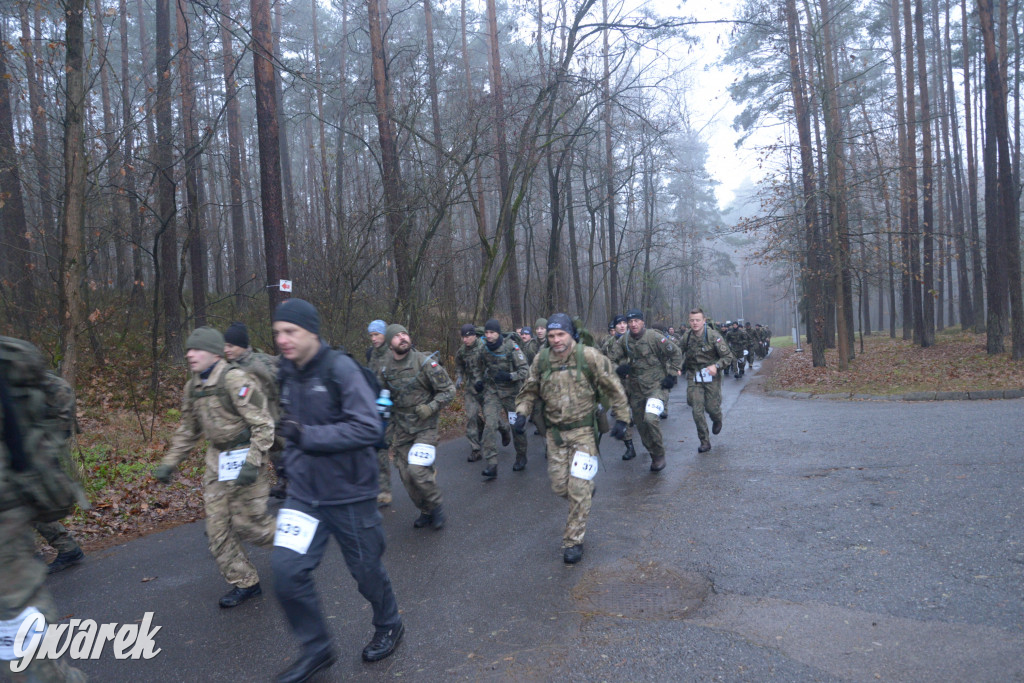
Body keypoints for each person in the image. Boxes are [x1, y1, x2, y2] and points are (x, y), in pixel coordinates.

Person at [271, 298, 403, 681]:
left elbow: (368, 428)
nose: (282, 339)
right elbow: (291, 427)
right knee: (285, 570)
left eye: (290, 331)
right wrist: (288, 464)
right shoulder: (287, 371)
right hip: (304, 496)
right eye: (278, 332)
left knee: (365, 571)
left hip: (349, 493)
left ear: (311, 331)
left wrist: (308, 437)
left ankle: (389, 622)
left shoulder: (340, 368)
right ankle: (316, 649)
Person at [153, 326, 276, 608]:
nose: (190, 355)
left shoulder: (236, 380)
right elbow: (188, 429)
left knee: (250, 526)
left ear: (213, 353)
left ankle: (297, 546)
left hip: (246, 459)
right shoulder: (193, 386)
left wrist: (252, 461)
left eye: (196, 349)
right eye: (188, 349)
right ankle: (245, 581)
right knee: (217, 528)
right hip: (218, 463)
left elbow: (263, 424)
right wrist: (170, 462)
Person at [1, 338, 87, 681]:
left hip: (9, 520)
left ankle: (67, 547)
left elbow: (60, 413)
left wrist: (51, 442)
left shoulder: (51, 385)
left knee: (35, 669)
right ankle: (66, 546)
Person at [513, 314, 630, 564]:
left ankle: (573, 541)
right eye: (552, 335)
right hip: (554, 433)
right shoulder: (541, 360)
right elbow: (529, 390)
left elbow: (614, 387)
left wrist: (622, 418)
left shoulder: (588, 356)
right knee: (559, 486)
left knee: (577, 489)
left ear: (570, 334)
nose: (556, 340)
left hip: (584, 432)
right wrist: (521, 413)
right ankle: (585, 492)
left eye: (560, 334)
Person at [377, 324, 455, 530]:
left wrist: (430, 408)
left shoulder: (424, 363)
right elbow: (384, 399)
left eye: (405, 334)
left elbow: (448, 390)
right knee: (405, 475)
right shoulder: (385, 367)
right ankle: (426, 510)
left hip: (425, 428)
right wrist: (384, 428)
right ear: (389, 343)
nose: (402, 338)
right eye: (397, 336)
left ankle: (436, 507)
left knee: (417, 470)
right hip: (402, 430)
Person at [608, 309, 682, 472]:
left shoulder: (654, 337)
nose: (633, 324)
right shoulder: (624, 341)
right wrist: (618, 368)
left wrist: (671, 374)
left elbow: (676, 353)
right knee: (641, 427)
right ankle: (654, 453)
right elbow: (610, 360)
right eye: (630, 321)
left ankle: (660, 453)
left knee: (650, 419)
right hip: (636, 390)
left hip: (656, 387)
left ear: (642, 322)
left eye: (636, 321)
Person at [223, 321, 286, 498]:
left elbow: (280, 369)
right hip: (257, 417)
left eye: (230, 346)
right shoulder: (236, 366)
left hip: (273, 414)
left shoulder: (253, 364)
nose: (226, 349)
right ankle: (285, 483)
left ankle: (296, 485)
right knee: (273, 451)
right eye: (224, 346)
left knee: (282, 449)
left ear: (241, 346)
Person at [478, 319, 529, 477]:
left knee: (516, 428)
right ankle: (492, 464)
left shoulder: (510, 346)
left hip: (512, 393)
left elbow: (525, 370)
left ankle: (521, 456)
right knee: (490, 425)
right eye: (486, 333)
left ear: (498, 333)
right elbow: (480, 368)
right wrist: (479, 381)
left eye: (492, 332)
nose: (489, 336)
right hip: (493, 392)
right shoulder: (484, 348)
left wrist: (509, 376)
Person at [679, 308, 734, 453]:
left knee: (711, 407)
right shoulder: (687, 337)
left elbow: (728, 357)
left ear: (704, 321)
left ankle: (717, 418)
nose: (695, 323)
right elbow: (678, 354)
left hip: (711, 376)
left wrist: (716, 366)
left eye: (698, 320)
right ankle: (704, 441)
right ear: (689, 322)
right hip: (694, 376)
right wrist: (676, 367)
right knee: (697, 410)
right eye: (692, 320)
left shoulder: (713, 336)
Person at [365, 320, 393, 506]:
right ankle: (383, 490)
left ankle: (424, 472)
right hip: (380, 410)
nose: (374, 338)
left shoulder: (393, 353)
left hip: (399, 409)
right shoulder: (372, 354)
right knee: (380, 447)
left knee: (403, 453)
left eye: (377, 334)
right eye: (371, 335)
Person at [455, 323, 486, 462]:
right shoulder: (462, 351)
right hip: (470, 389)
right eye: (463, 337)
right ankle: (475, 449)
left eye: (467, 337)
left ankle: (503, 429)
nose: (465, 340)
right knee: (471, 415)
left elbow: (492, 365)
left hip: (486, 388)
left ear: (474, 335)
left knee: (492, 418)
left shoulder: (484, 348)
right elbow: (459, 364)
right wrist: (459, 376)